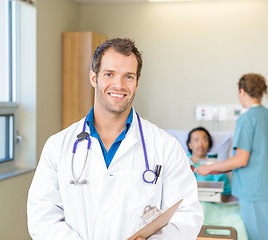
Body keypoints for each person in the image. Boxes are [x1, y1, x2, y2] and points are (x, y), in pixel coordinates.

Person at [27, 38, 203, 240]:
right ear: (94, 78)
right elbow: (42, 218)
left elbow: (187, 215)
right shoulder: (58, 146)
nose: (118, 85)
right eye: (109, 74)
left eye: (128, 76)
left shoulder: (166, 147)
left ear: (137, 83)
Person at [194, 73, 268, 240]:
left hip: (253, 189)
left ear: (242, 92)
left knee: (256, 235)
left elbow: (241, 159)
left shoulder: (247, 119)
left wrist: (209, 167)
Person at [186, 127, 231, 196]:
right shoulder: (181, 162)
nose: (200, 144)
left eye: (204, 140)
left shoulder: (216, 165)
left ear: (209, 143)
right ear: (189, 145)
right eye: (196, 140)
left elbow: (225, 194)